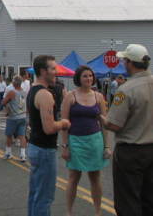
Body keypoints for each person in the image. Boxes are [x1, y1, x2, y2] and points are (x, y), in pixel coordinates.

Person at [100, 44, 153, 216]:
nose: (123, 63)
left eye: (124, 60)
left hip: (131, 150)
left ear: (130, 63)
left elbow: (115, 125)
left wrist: (101, 119)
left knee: (128, 201)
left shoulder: (125, 90)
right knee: (149, 199)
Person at [61, 66, 110, 216]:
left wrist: (107, 146)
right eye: (85, 76)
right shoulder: (70, 96)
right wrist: (65, 146)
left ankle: (97, 211)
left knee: (95, 177)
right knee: (74, 177)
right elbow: (64, 123)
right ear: (78, 78)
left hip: (95, 141)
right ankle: (69, 212)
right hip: (75, 141)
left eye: (90, 76)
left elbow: (104, 123)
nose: (88, 79)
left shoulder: (98, 97)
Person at [27, 55, 71, 216]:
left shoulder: (33, 90)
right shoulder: (45, 95)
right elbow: (49, 127)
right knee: (44, 197)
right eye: (52, 68)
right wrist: (64, 123)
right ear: (43, 71)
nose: (56, 72)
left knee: (35, 194)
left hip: (36, 147)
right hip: (44, 150)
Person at [2, 75, 27, 161]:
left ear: (14, 83)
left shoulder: (12, 92)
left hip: (13, 117)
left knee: (9, 135)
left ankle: (8, 153)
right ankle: (23, 155)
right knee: (22, 136)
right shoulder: (24, 92)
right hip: (22, 116)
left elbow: (3, 102)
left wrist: (7, 107)